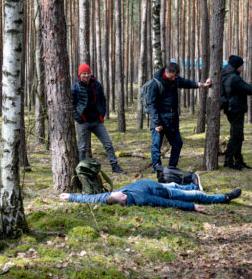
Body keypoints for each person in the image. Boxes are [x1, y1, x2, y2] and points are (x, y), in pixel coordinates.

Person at [144, 61, 211, 171]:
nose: (174, 79)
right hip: (159, 120)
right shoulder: (156, 83)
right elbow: (151, 104)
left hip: (172, 120)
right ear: (166, 72)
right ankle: (157, 169)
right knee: (156, 146)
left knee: (177, 143)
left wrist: (201, 84)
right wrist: (156, 122)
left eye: (176, 76)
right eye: (172, 76)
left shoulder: (175, 80)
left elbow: (186, 83)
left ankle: (172, 168)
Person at [60, 178, 241, 212]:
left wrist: (71, 197)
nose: (118, 191)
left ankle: (190, 184)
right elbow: (165, 203)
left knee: (179, 184)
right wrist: (191, 207)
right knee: (197, 195)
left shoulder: (110, 197)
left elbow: (91, 199)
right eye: (119, 193)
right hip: (166, 192)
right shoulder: (140, 199)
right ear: (123, 199)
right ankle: (224, 198)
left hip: (160, 184)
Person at [72, 63, 126, 174]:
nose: (86, 76)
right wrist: (79, 118)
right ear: (80, 75)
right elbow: (72, 105)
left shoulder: (96, 84)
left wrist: (101, 114)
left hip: (97, 121)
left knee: (108, 144)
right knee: (82, 148)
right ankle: (82, 171)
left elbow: (102, 99)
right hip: (83, 122)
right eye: (84, 73)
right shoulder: (75, 86)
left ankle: (115, 167)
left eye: (87, 73)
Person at [221, 55, 252, 169]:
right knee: (236, 136)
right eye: (241, 66)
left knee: (238, 136)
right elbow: (250, 89)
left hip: (231, 109)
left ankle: (238, 160)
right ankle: (228, 162)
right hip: (235, 109)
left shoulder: (226, 74)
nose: (242, 68)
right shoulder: (234, 78)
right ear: (237, 66)